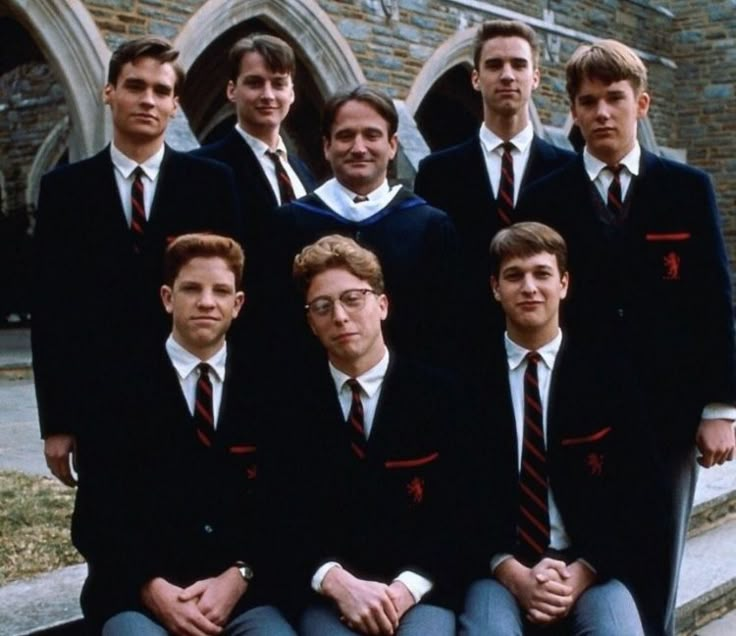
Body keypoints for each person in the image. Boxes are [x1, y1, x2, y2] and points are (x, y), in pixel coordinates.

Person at [517, 39, 736, 635]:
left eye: (615, 98)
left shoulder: (686, 190)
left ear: (642, 103)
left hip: (667, 410)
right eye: (588, 102)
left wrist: (720, 408)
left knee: (655, 551)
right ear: (574, 112)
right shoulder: (544, 198)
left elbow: (713, 301)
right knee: (588, 544)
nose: (602, 112)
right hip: (576, 407)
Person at [31, 36, 239, 628]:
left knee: (203, 502)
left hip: (196, 383)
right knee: (116, 521)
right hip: (104, 398)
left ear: (176, 105)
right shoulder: (66, 189)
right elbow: (52, 310)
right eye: (137, 86)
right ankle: (130, 599)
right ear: (110, 93)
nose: (149, 100)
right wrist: (59, 422)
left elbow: (229, 290)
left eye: (162, 91)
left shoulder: (210, 183)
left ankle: (206, 597)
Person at [460, 222, 652, 636]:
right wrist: (511, 572)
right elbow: (454, 498)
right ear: (495, 288)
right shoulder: (465, 381)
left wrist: (584, 571)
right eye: (514, 276)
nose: (529, 287)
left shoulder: (608, 376)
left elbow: (640, 493)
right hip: (497, 567)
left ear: (564, 284)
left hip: (589, 565)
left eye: (542, 274)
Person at [102, 234, 296, 636]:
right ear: (167, 298)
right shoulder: (116, 388)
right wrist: (152, 588)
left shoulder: (270, 390)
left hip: (244, 593)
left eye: (220, 291)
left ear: (237, 304)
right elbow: (98, 515)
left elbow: (284, 504)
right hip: (142, 595)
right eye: (191, 288)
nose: (206, 302)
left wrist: (241, 573)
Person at [289, 235, 462, 636]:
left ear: (382, 305)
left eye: (353, 298)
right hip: (329, 601)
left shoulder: (441, 396)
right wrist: (336, 583)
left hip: (423, 591)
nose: (340, 316)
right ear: (311, 323)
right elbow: (282, 517)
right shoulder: (291, 405)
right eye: (323, 306)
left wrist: (402, 592)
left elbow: (463, 513)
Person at [414, 20, 573, 355]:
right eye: (494, 65)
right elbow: (428, 274)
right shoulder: (437, 173)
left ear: (536, 77)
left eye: (518, 64)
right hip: (462, 350)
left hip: (549, 352)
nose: (507, 75)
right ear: (475, 78)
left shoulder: (569, 171)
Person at [273, 86, 458, 368]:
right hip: (310, 390)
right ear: (326, 146)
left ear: (393, 145)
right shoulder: (288, 224)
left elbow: (445, 327)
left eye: (372, 135)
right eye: (346, 136)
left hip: (410, 391)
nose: (359, 148)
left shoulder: (429, 226)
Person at [193, 34, 314, 342]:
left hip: (308, 336)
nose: (268, 94)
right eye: (255, 83)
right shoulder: (202, 169)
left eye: (278, 83)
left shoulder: (302, 171)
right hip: (245, 338)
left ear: (292, 93)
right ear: (232, 90)